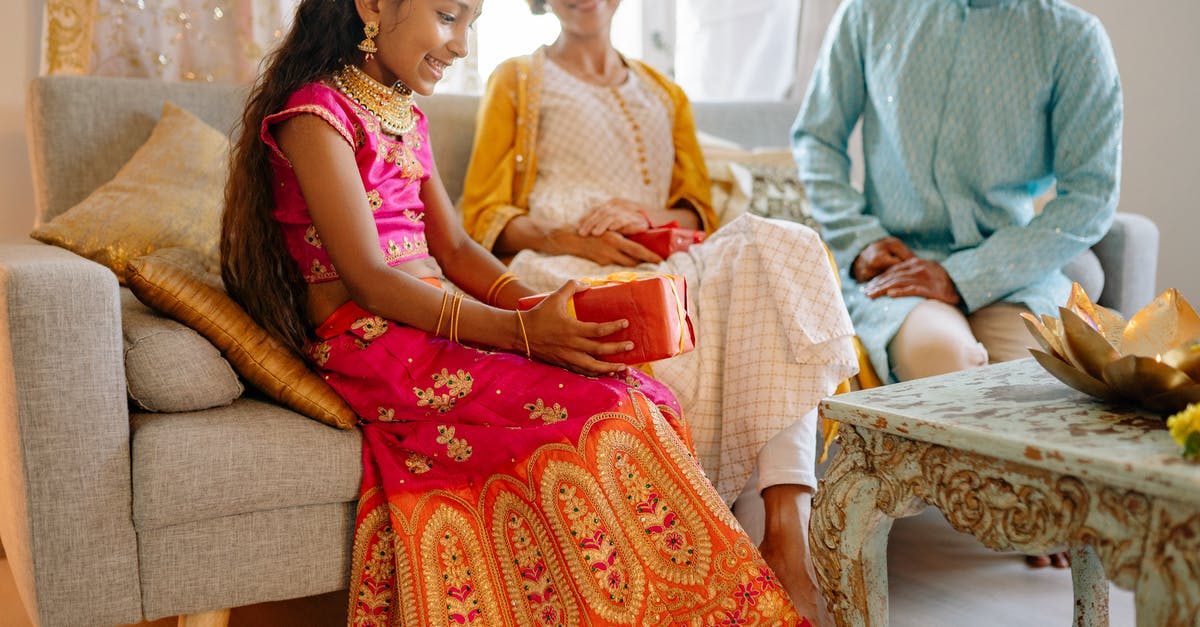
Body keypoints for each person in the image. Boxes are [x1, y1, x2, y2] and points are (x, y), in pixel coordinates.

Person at [220, 0, 812, 624]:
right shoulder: (315, 115)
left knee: (640, 390)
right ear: (371, 5)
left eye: (471, 25)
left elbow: (452, 247)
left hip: (430, 322)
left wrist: (538, 307)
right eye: (449, 17)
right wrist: (522, 332)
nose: (460, 46)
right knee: (604, 407)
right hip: (372, 339)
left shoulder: (402, 112)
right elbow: (369, 279)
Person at [461, 0, 859, 618]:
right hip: (560, 268)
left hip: (662, 262)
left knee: (779, 244)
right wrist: (571, 237)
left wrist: (646, 219)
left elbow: (695, 210)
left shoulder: (664, 92)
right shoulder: (516, 78)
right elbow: (483, 217)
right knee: (689, 326)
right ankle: (748, 555)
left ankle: (788, 535)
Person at [793, 0, 1122, 568]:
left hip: (1012, 265)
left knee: (1037, 389)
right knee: (945, 359)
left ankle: (1037, 504)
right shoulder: (870, 13)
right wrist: (861, 237)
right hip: (898, 270)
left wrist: (964, 276)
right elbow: (816, 140)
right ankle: (1022, 506)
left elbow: (1091, 195)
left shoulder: (1072, 36)